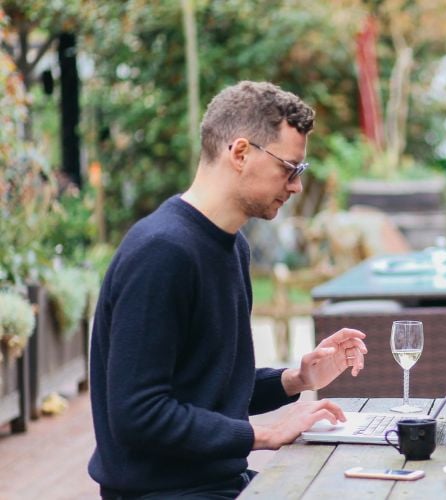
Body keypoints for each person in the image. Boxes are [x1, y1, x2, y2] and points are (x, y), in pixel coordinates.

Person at [88, 81, 369, 499]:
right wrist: (266, 434)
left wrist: (295, 379)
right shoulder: (161, 253)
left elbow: (211, 389)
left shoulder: (232, 246)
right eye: (289, 168)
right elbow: (138, 415)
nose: (296, 186)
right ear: (240, 153)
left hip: (220, 484)